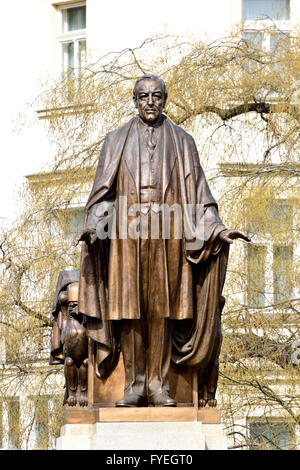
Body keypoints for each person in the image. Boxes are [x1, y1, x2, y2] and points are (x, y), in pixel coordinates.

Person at [73, 74, 250, 407]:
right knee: (130, 310)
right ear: (135, 100)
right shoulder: (115, 141)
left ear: (165, 99)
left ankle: (159, 384)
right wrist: (95, 227)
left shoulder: (183, 141)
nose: (149, 102)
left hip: (168, 238)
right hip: (127, 237)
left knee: (161, 310)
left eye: (156, 96)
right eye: (143, 96)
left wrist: (218, 229)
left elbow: (200, 196)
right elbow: (102, 196)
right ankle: (135, 383)